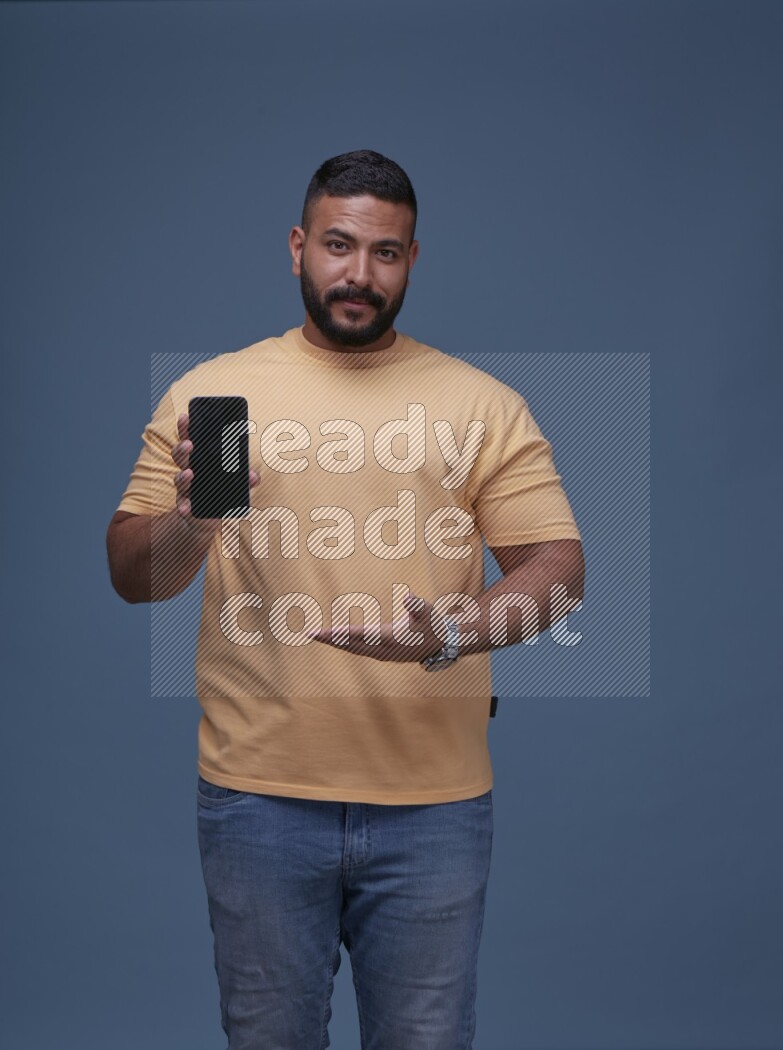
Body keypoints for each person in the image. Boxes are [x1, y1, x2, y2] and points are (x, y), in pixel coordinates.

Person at [106, 149, 584, 1050]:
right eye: (337, 245)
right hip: (257, 802)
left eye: (385, 253)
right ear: (297, 248)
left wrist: (453, 630)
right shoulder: (217, 396)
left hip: (436, 808)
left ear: (412, 260)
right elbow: (135, 577)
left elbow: (559, 572)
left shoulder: (480, 405)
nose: (358, 274)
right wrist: (192, 524)